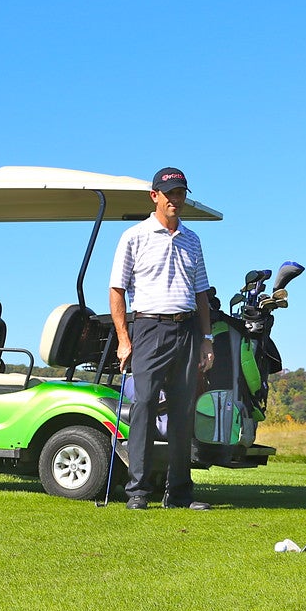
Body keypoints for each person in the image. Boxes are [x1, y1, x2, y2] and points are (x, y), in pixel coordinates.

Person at [109, 167, 215, 510]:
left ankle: (180, 494)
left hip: (186, 330)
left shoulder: (193, 239)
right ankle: (137, 491)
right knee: (145, 407)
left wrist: (206, 338)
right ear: (155, 196)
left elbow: (200, 293)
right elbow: (117, 289)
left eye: (180, 194)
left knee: (184, 411)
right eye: (169, 194)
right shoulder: (134, 236)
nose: (175, 200)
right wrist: (124, 338)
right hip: (149, 327)